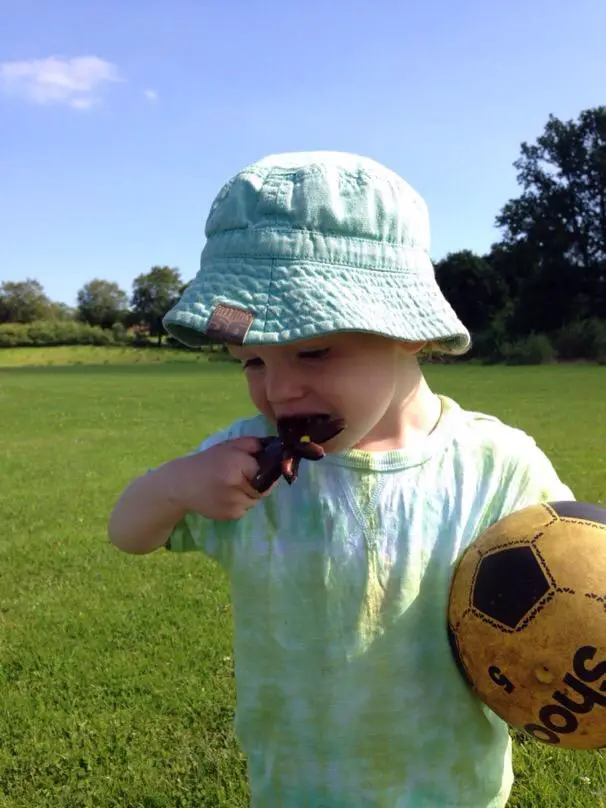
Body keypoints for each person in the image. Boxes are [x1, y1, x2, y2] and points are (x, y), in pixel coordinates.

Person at [108, 151, 574, 808]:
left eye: (314, 350)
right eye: (251, 361)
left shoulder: (496, 467)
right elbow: (127, 532)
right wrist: (175, 486)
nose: (279, 388)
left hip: (453, 791)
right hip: (297, 788)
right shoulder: (245, 466)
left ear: (410, 334)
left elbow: (584, 586)